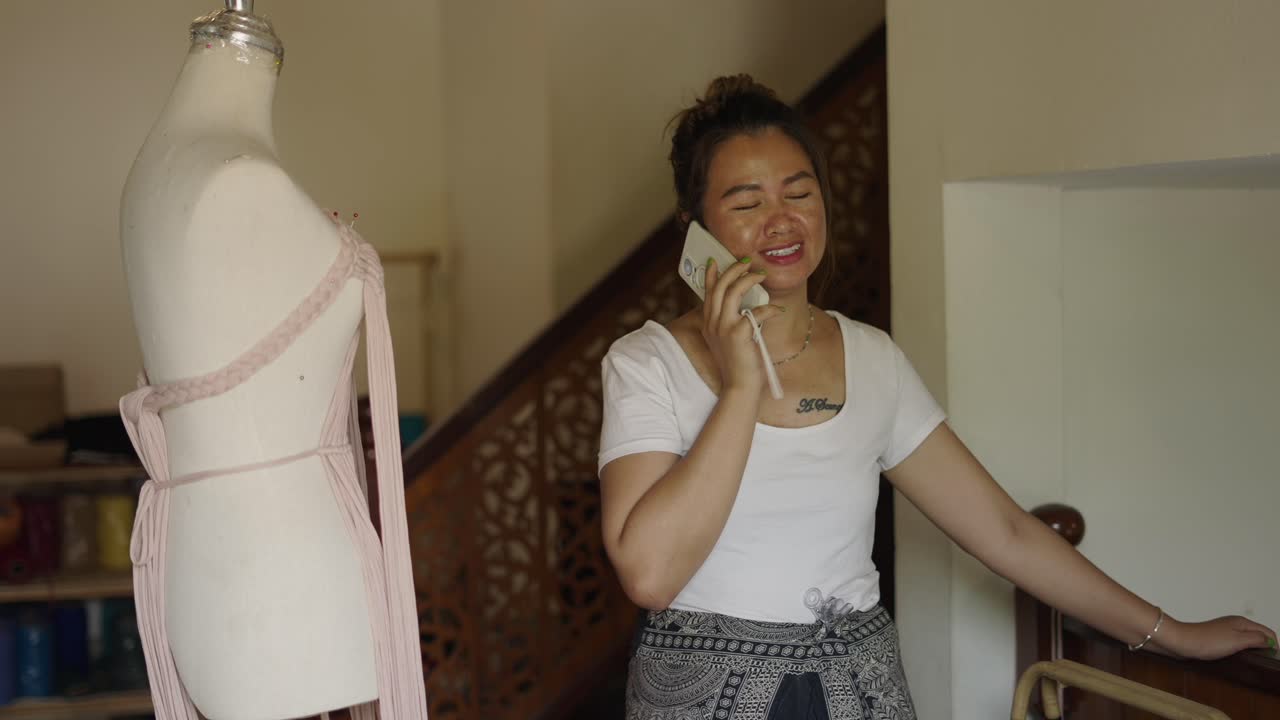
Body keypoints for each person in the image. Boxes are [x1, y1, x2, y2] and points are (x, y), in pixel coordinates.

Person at [596, 74, 1277, 720]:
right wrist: (742, 386)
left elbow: (1007, 533)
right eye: (747, 204)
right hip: (701, 695)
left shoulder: (873, 359)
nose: (781, 221)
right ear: (694, 227)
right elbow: (650, 576)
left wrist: (1172, 634)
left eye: (799, 193)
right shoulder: (647, 363)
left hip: (861, 688)